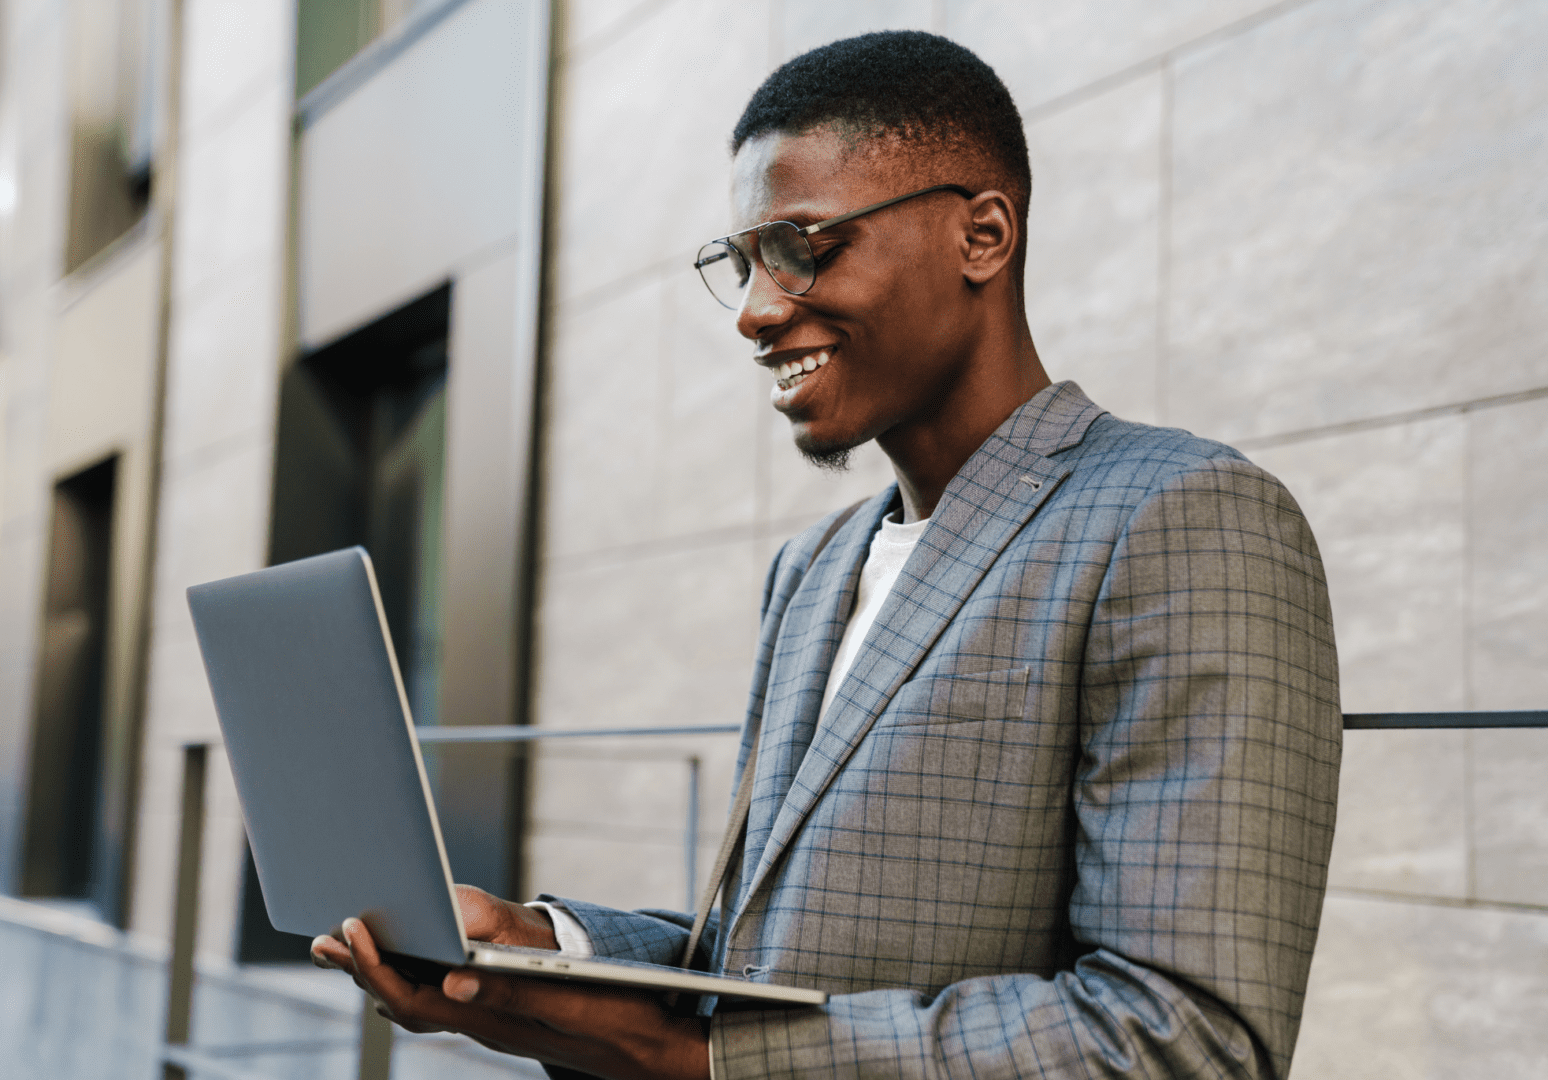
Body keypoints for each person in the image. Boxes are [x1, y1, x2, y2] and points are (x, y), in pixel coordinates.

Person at [312, 31, 1341, 1080]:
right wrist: (539, 951)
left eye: (803, 247)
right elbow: (764, 962)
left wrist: (693, 1059)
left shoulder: (1181, 518)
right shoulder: (812, 571)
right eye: (744, 263)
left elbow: (1184, 1041)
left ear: (982, 236)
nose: (759, 311)